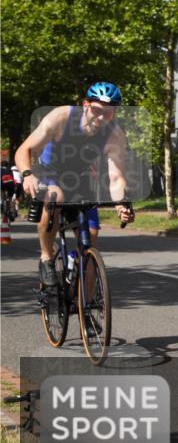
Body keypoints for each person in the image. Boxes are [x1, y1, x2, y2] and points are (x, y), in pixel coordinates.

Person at [14, 82, 135, 289]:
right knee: (55, 196)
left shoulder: (114, 135)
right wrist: (27, 175)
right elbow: (24, 150)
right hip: (48, 171)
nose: (100, 118)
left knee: (90, 241)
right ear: (85, 105)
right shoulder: (61, 117)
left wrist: (121, 204)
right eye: (97, 110)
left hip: (79, 178)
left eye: (108, 113)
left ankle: (86, 312)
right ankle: (46, 257)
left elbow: (116, 177)